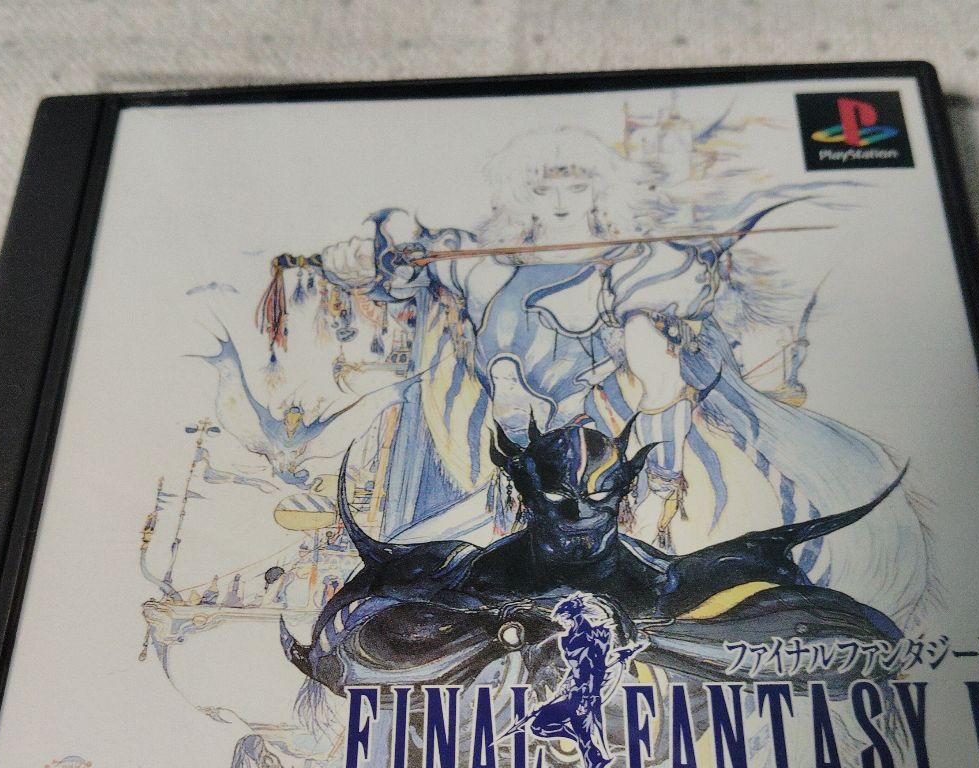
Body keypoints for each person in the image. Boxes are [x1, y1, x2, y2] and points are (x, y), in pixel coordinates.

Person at [315, 126, 931, 632]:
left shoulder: (636, 262)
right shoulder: (486, 270)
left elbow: (662, 356)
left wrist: (650, 460)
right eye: (543, 186)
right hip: (531, 475)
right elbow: (406, 246)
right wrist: (377, 241)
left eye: (576, 183)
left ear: (599, 189)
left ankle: (663, 498)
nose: (561, 199)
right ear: (520, 194)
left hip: (623, 447)